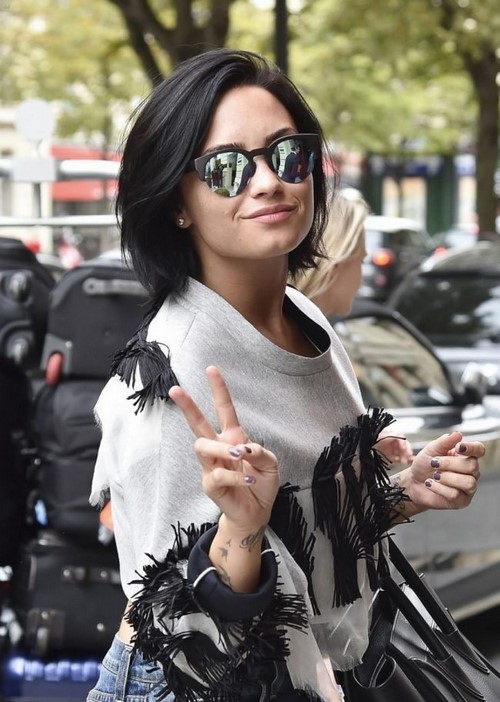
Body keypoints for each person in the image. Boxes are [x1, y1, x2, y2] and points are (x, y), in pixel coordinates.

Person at [87, 49, 484, 702]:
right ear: (178, 202)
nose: (270, 181)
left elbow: (305, 526)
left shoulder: (304, 317)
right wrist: (240, 532)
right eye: (226, 168)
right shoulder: (167, 386)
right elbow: (194, 641)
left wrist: (403, 491)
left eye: (288, 155)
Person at [294, 194, 414, 466]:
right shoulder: (304, 347)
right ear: (335, 265)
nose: (360, 279)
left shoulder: (311, 338)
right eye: (360, 261)